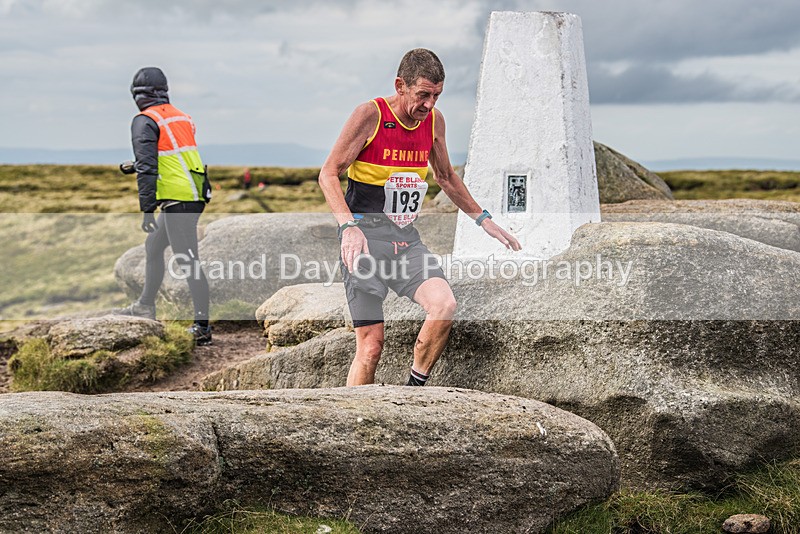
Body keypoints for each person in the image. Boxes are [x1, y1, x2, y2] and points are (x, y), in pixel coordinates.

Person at [318, 48, 521, 386]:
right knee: (370, 347)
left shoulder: (434, 122)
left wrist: (483, 219)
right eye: (423, 94)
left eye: (436, 96)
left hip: (404, 241)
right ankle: (354, 423)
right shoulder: (370, 115)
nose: (429, 105)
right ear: (401, 85)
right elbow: (328, 174)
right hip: (365, 242)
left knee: (444, 305)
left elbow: (445, 176)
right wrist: (348, 227)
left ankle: (413, 393)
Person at [113, 67, 212, 345]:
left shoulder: (144, 121)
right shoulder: (180, 116)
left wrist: (147, 208)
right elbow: (175, 155)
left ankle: (202, 326)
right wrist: (136, 164)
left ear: (137, 95)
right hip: (194, 192)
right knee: (154, 246)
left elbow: (148, 168)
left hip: (178, 200)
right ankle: (145, 305)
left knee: (188, 260)